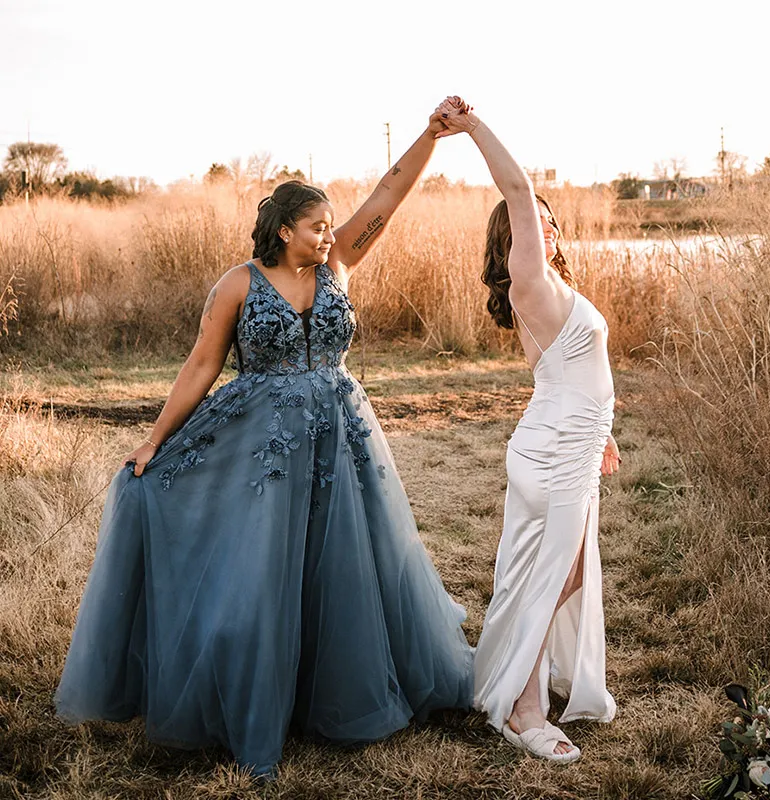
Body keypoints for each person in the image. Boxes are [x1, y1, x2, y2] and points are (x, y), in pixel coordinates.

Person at [55, 104, 473, 777]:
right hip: (264, 448)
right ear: (284, 232)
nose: (329, 234)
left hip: (342, 440)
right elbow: (200, 366)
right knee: (264, 575)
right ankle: (253, 702)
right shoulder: (237, 286)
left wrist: (430, 135)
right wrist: (154, 441)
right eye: (316, 227)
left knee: (350, 571)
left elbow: (387, 197)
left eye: (331, 225)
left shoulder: (339, 266)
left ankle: (338, 693)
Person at [436, 97, 620, 763]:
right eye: (525, 222)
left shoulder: (555, 293)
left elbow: (563, 374)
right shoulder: (529, 279)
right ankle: (523, 709)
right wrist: (474, 127)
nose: (538, 225)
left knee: (559, 575)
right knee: (552, 577)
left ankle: (516, 672)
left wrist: (603, 430)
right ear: (511, 240)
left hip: (567, 440)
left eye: (544, 222)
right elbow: (516, 186)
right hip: (553, 455)